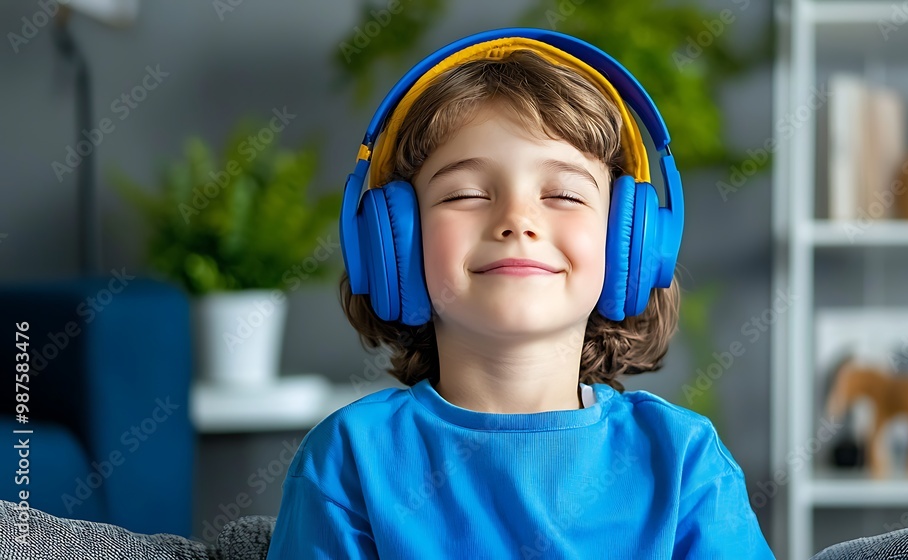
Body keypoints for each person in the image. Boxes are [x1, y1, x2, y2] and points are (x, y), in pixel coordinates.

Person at [266, 28, 774, 559]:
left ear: (633, 242)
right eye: (464, 193)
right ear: (390, 243)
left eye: (562, 193)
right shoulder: (350, 460)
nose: (517, 221)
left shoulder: (685, 463)